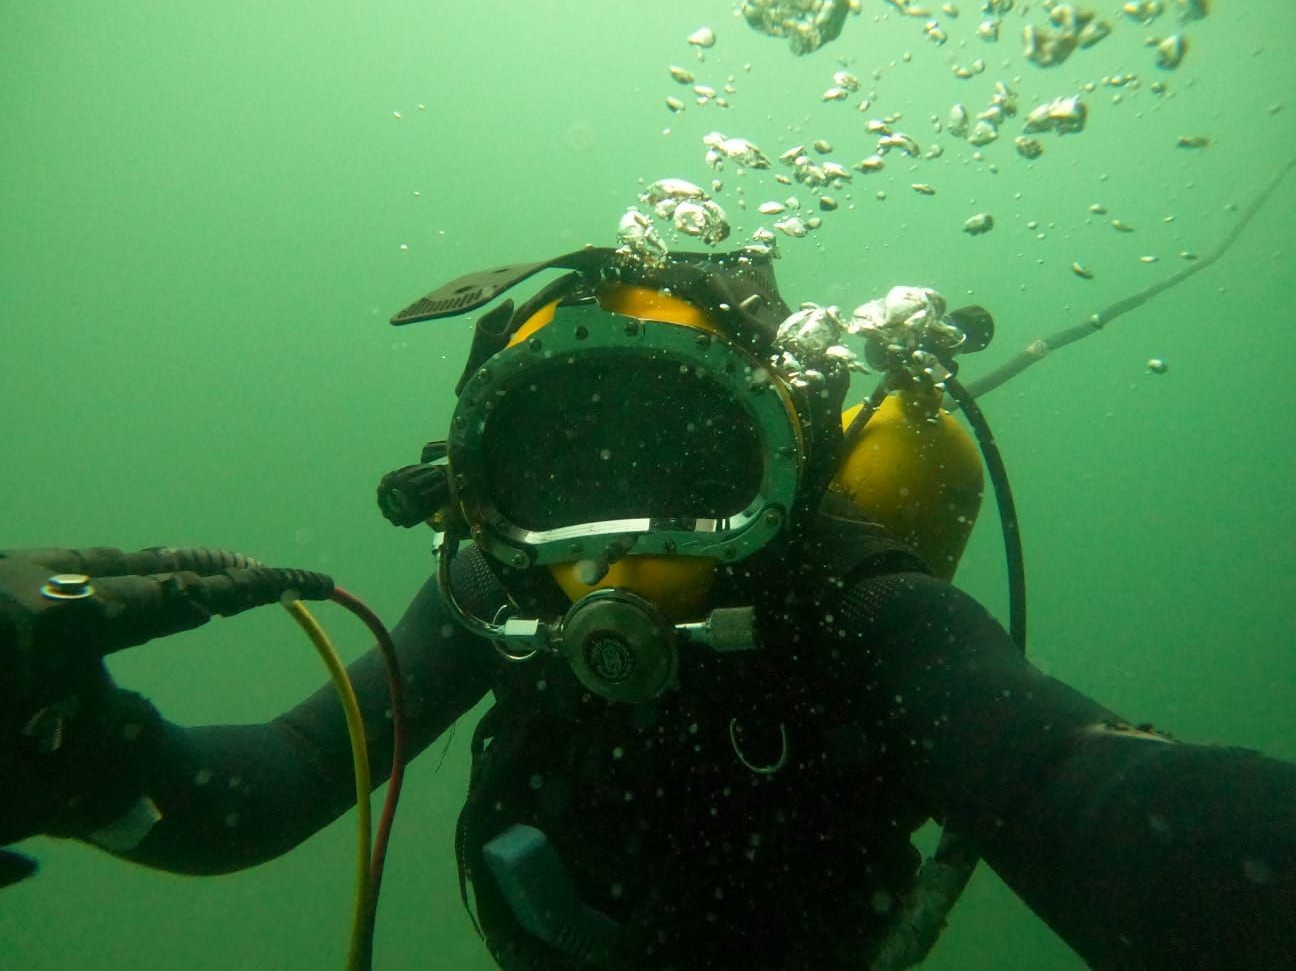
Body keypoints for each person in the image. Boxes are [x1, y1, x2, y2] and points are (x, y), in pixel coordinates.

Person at [2, 246, 1293, 970]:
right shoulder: (494, 592)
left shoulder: (858, 605)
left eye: (683, 467)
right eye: (559, 473)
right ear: (482, 487)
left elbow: (1084, 798)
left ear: (772, 465)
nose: (610, 559)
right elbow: (275, 784)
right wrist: (74, 750)